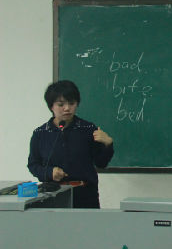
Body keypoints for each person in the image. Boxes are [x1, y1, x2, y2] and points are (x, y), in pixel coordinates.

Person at [27, 80, 114, 208]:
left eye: (72, 103)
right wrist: (49, 172)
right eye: (61, 104)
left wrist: (108, 145)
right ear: (51, 106)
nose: (67, 108)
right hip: (52, 195)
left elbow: (101, 163)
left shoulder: (88, 129)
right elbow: (33, 165)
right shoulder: (40, 133)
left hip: (85, 195)